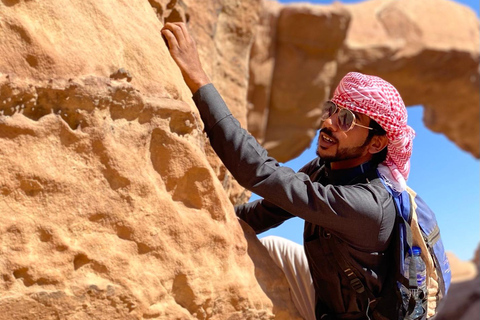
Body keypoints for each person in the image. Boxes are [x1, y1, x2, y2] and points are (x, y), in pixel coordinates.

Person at [161, 22, 415, 320]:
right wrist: (208, 223)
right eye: (331, 109)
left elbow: (261, 173)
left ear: (376, 143)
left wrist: (199, 81)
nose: (329, 123)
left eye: (347, 119)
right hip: (330, 302)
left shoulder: (368, 207)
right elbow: (267, 211)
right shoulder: (325, 169)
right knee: (271, 248)